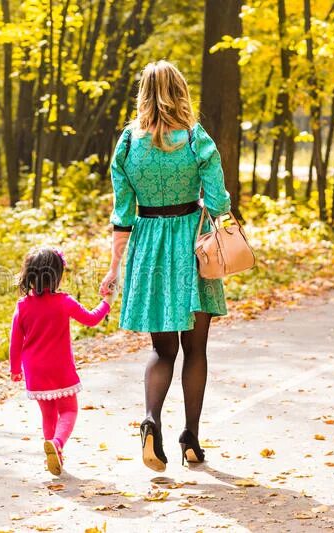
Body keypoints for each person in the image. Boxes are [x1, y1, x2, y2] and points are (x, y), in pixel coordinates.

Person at [99, 60, 231, 473]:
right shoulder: (195, 138)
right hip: (191, 245)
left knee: (161, 349)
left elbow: (122, 212)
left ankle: (151, 420)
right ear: (180, 90)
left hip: (149, 243)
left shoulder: (127, 142)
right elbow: (220, 201)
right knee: (195, 349)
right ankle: (191, 438)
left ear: (143, 92)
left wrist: (115, 266)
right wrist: (214, 212)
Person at [10, 246, 115, 476]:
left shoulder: (23, 306)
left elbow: (15, 341)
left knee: (48, 414)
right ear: (57, 275)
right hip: (60, 368)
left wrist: (15, 369)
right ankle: (56, 444)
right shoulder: (64, 301)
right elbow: (91, 319)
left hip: (35, 370)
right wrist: (107, 302)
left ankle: (53, 450)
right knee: (69, 411)